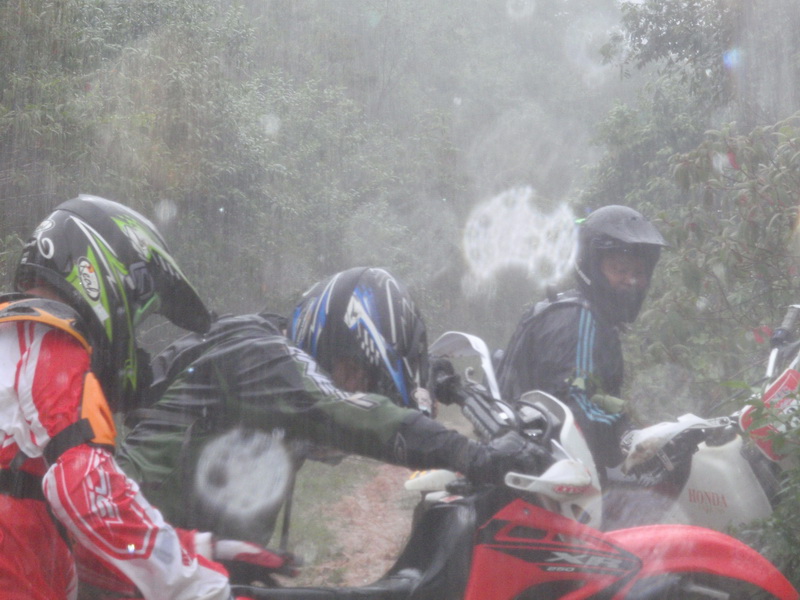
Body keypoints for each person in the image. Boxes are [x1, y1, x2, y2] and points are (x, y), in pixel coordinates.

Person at [116, 266, 547, 552]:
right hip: (131, 557)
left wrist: (429, 377)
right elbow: (349, 413)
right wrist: (473, 455)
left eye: (365, 381)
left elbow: (339, 415)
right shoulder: (262, 354)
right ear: (337, 348)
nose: (357, 389)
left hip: (165, 556)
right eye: (356, 373)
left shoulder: (270, 360)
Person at [0, 195, 252, 600]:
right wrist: (201, 587)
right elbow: (85, 489)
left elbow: (82, 535)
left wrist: (198, 548)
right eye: (138, 314)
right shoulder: (50, 339)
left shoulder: (16, 350)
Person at [495, 205, 667, 484]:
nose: (632, 280)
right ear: (591, 266)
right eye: (620, 269)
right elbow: (575, 409)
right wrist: (632, 439)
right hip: (547, 474)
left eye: (639, 271)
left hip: (533, 462)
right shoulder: (581, 319)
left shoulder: (575, 311)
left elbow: (591, 399)